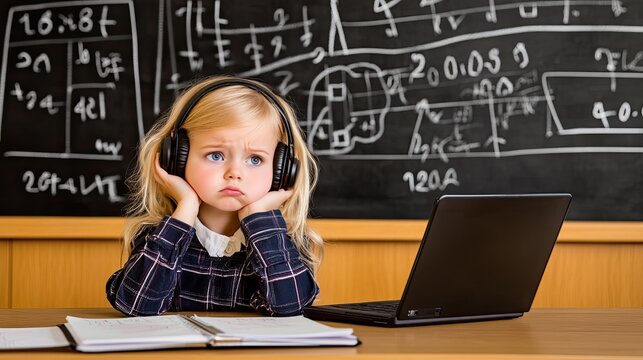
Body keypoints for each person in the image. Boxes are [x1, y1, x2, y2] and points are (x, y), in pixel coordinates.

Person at [106, 76, 323, 316]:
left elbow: (292, 307)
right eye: (216, 155)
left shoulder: (285, 239)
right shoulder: (159, 236)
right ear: (177, 158)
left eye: (255, 159)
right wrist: (186, 209)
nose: (234, 174)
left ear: (282, 170)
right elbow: (136, 305)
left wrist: (257, 217)